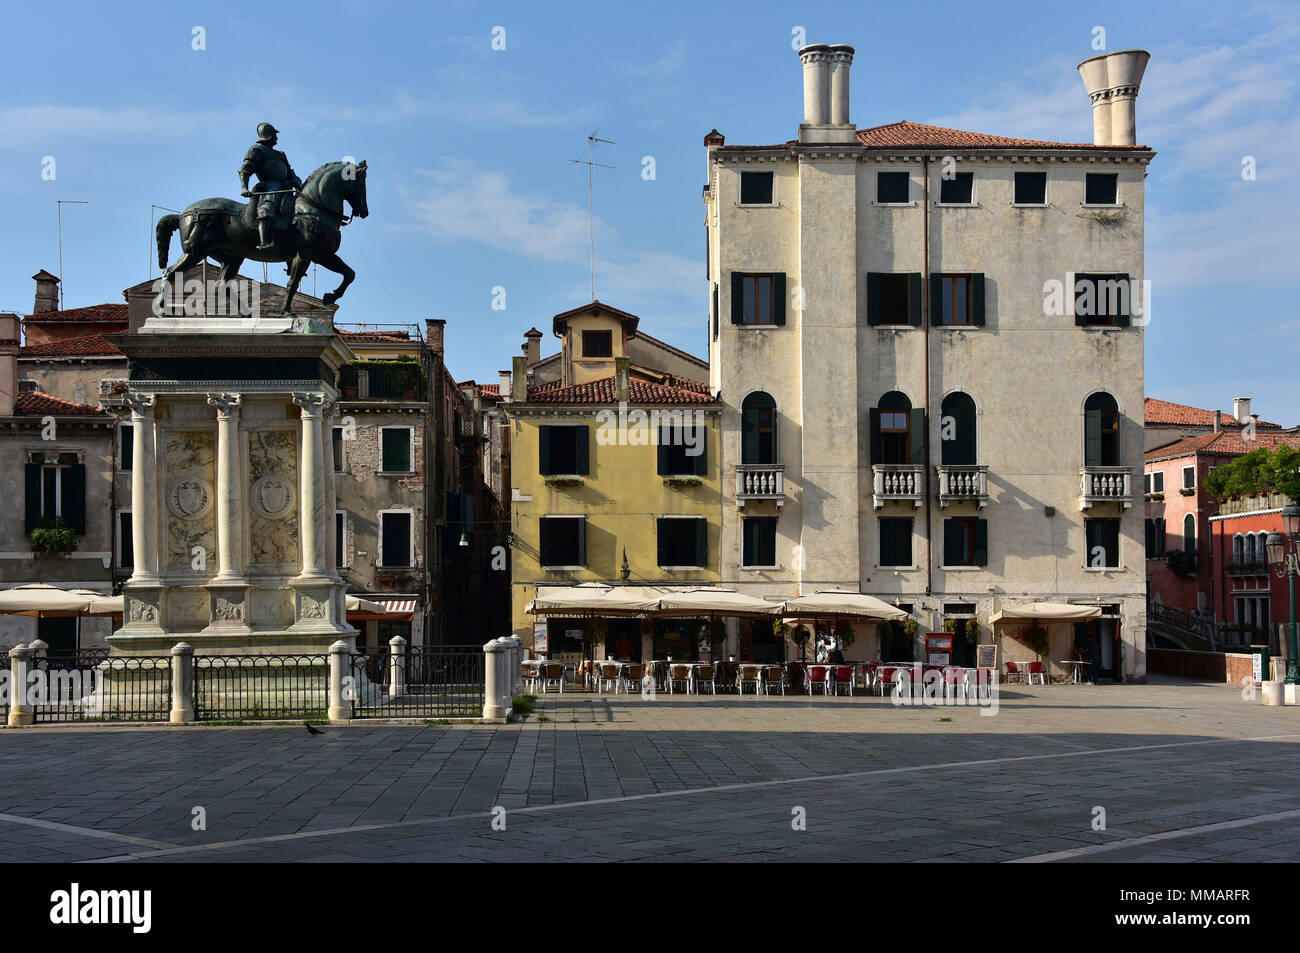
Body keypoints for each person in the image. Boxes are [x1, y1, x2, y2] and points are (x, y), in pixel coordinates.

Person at [238, 122, 303, 251]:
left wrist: (295, 180)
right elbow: (245, 170)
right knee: (266, 210)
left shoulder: (280, 154)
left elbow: (289, 172)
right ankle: (264, 242)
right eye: (274, 135)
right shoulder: (256, 151)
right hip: (269, 187)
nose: (277, 138)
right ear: (268, 136)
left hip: (286, 188)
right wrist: (244, 188)